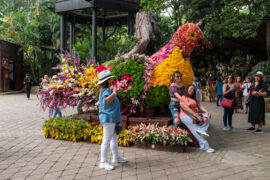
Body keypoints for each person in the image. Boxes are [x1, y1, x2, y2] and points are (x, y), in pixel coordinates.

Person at [96, 70, 127, 171]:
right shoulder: (105, 91)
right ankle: (103, 162)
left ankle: (116, 157)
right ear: (107, 80)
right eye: (111, 78)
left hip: (111, 118)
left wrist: (113, 92)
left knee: (114, 138)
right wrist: (114, 93)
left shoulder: (105, 90)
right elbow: (106, 101)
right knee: (106, 140)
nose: (112, 80)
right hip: (108, 118)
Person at [179, 85, 215, 153]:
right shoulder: (183, 98)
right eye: (191, 89)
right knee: (196, 131)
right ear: (187, 89)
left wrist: (207, 112)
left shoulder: (193, 98)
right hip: (186, 116)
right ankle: (205, 147)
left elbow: (199, 106)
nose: (192, 91)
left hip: (195, 115)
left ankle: (202, 130)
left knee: (206, 117)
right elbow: (186, 108)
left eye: (193, 90)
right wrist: (196, 115)